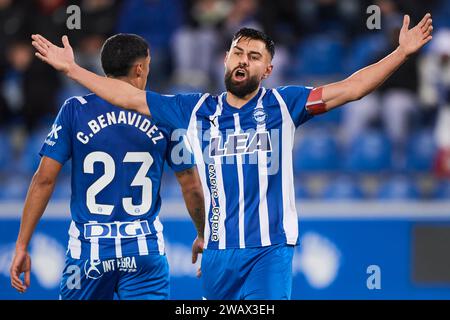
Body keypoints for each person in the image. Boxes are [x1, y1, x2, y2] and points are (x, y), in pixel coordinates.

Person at [29, 13, 433, 299]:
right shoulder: (197, 110)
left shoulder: (285, 105)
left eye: (254, 56)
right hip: (219, 255)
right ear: (225, 60)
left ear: (269, 69)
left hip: (269, 251)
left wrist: (400, 53)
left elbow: (351, 88)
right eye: (238, 52)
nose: (244, 60)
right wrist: (73, 70)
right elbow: (128, 97)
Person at [10, 34, 205, 300]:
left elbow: (43, 180)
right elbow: (191, 185)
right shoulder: (164, 114)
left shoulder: (74, 110)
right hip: (143, 252)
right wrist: (203, 233)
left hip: (88, 254)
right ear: (140, 68)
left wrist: (21, 245)